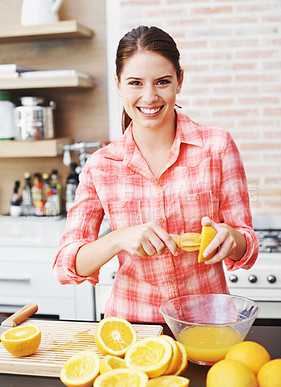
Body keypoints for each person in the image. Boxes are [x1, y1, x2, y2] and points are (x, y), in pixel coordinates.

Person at [53, 26, 259, 323]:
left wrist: (233, 240)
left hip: (207, 324)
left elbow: (247, 244)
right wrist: (118, 239)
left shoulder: (218, 147)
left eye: (162, 82)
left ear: (180, 81)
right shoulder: (101, 165)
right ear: (119, 85)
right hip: (132, 330)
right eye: (135, 83)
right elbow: (66, 264)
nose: (149, 97)